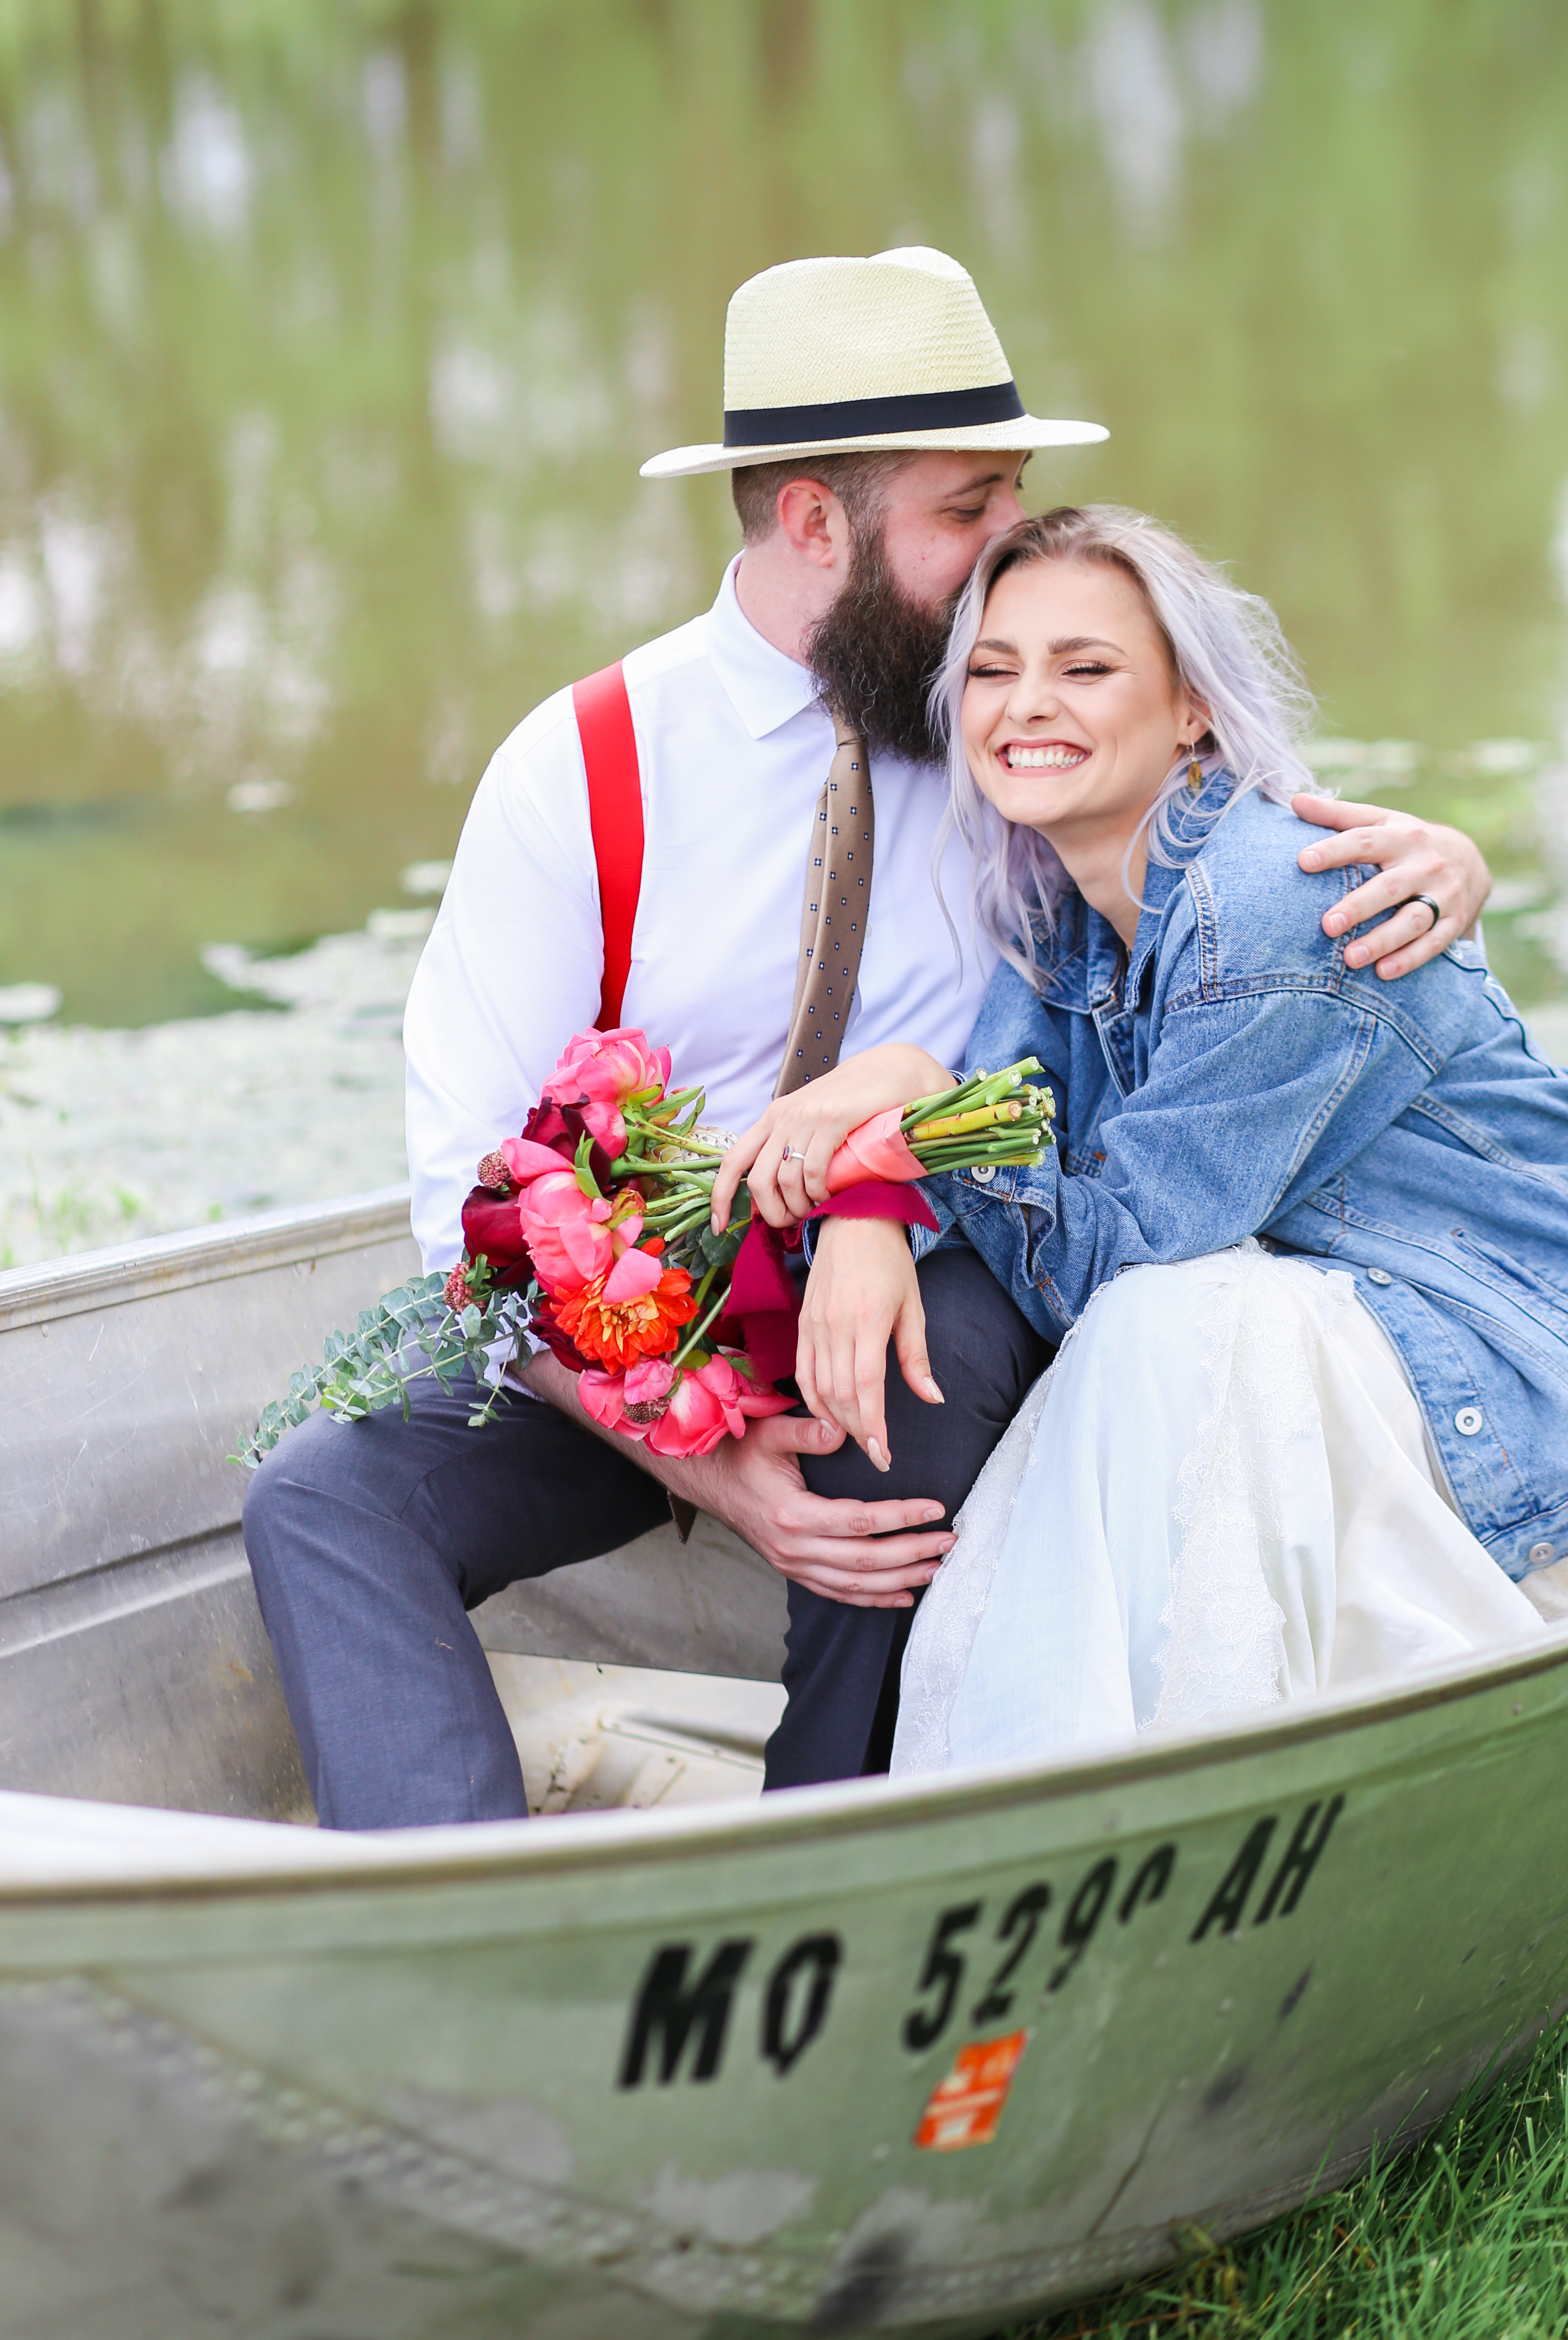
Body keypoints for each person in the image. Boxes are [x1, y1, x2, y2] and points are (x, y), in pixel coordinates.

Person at [243, 253, 1494, 1824]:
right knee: (324, 1496)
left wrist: (1442, 858)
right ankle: (458, 1918)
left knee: (909, 1374)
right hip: (635, 1337)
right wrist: (703, 1463)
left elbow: (1236, 865)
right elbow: (468, 1210)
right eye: (967, 510)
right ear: (817, 522)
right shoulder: (579, 767)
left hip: (943, 1275)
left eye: (1011, 499)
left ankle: (824, 1850)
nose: (1007, 555)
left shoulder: (1015, 731)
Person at [711, 506, 1568, 1775]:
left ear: (1192, 711)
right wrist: (874, 1201)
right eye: (994, 671)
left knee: (1177, 1325)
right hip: (1432, 1346)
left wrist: (897, 1099)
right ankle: (1034, 1789)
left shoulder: (1271, 908)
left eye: (1086, 668)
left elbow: (1107, 1253)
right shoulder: (1065, 914)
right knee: (1173, 1338)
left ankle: (1105, 1788)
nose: (1025, 705)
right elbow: (990, 1147)